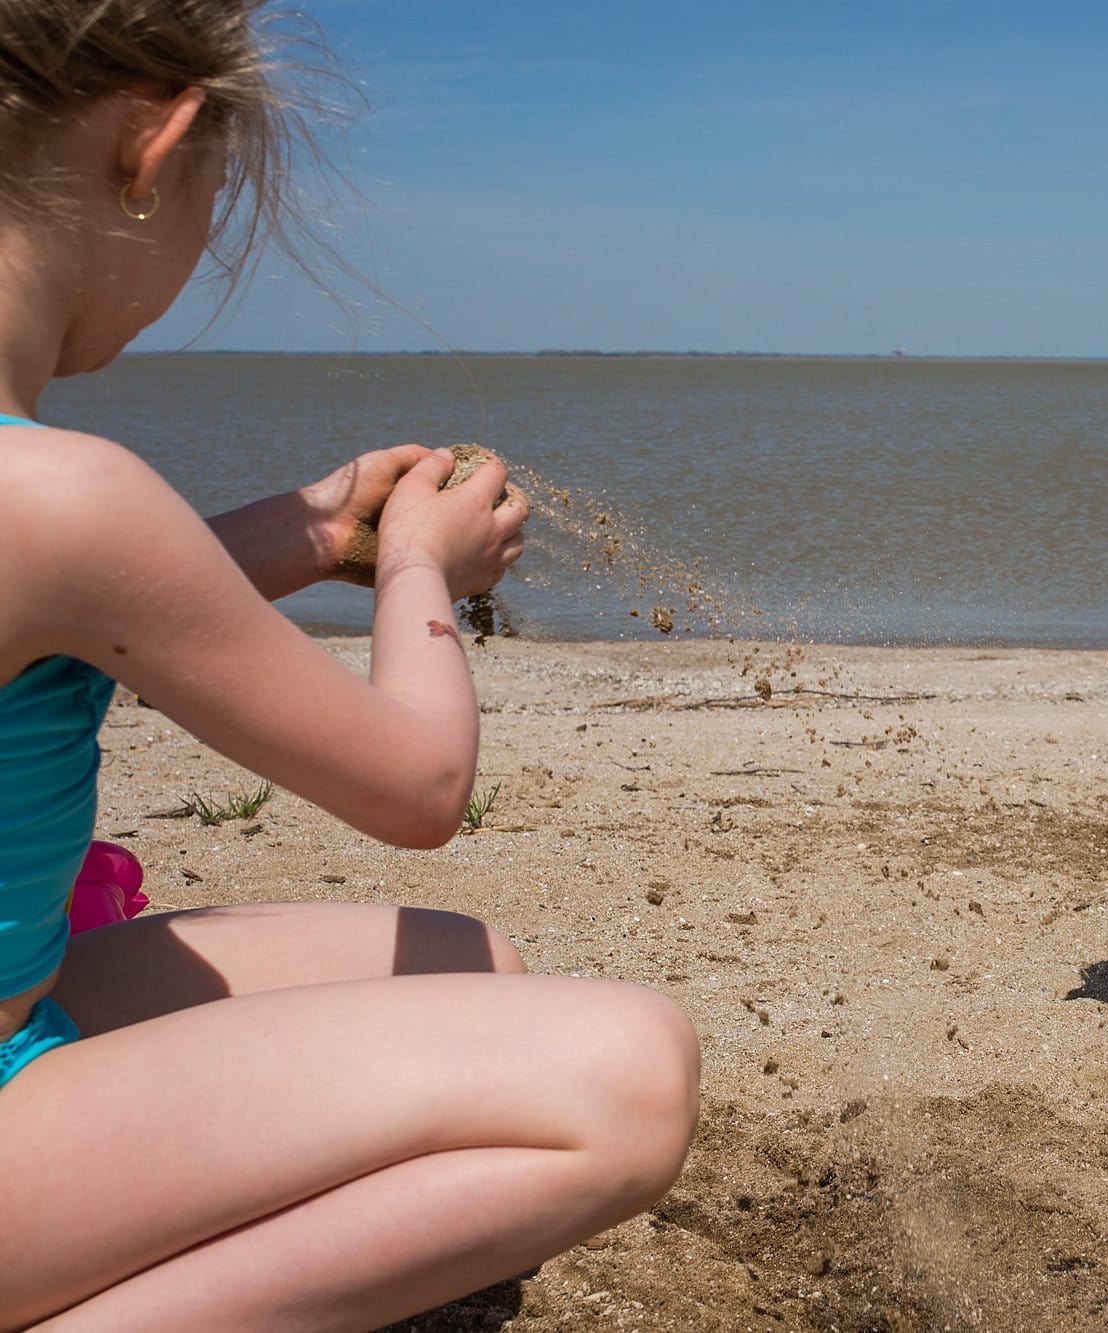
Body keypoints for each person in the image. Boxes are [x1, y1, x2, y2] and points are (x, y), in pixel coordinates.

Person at [0, 3, 700, 1327]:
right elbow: (419, 787)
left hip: (20, 990)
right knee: (631, 1077)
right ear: (155, 147)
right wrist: (418, 565)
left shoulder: (41, 501)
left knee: (470, 965)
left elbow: (79, 601)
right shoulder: (64, 498)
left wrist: (318, 528)